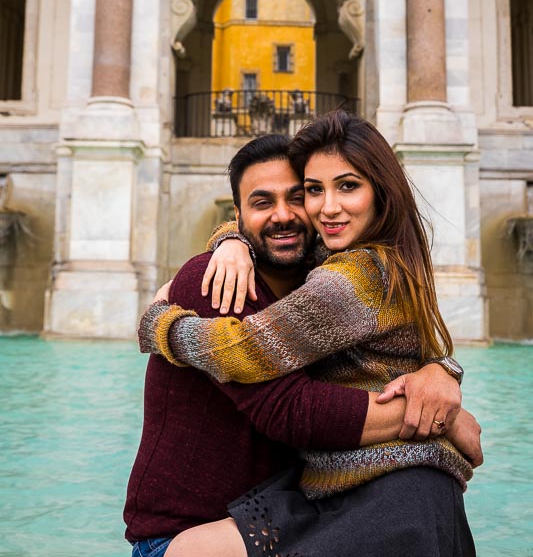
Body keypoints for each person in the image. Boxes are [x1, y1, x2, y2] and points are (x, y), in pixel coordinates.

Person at [138, 117, 481, 557]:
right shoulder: (228, 275)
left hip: (385, 492)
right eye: (316, 190)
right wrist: (230, 241)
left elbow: (249, 358)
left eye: (300, 196)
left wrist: (159, 324)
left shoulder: (346, 275)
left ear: (381, 191)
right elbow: (288, 405)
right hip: (340, 496)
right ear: (238, 215)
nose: (326, 208)